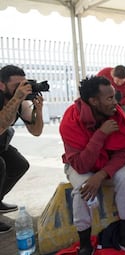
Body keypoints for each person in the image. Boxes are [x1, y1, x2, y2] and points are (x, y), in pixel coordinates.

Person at [59, 76, 125, 255]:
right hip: (79, 164)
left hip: (107, 165)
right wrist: (100, 135)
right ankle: (84, 243)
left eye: (114, 96)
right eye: (110, 98)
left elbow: (123, 153)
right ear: (94, 101)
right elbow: (81, 165)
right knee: (83, 188)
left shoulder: (118, 116)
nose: (116, 102)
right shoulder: (70, 120)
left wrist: (102, 174)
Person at [0, 65, 44, 234]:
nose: (20, 89)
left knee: (19, 164)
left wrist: (38, 111)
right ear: (2, 85)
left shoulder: (19, 101)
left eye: (23, 84)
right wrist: (17, 98)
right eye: (15, 85)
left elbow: (36, 131)